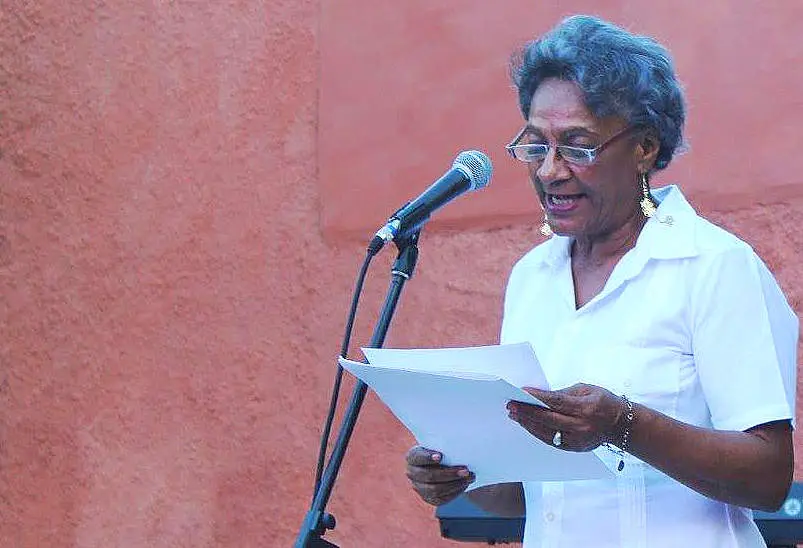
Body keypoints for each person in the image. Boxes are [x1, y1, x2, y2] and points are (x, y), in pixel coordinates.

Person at [405, 14, 798, 548]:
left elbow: (768, 477)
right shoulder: (532, 278)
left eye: (578, 145)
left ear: (645, 148)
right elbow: (528, 494)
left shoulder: (712, 266)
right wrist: (463, 471)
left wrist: (621, 424)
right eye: (536, 145)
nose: (550, 170)